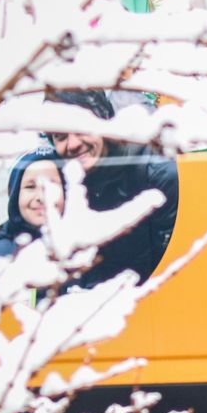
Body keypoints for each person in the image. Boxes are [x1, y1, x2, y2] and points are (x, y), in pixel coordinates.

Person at [45, 88, 181, 287]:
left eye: (81, 128)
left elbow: (172, 266)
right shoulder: (62, 181)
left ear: (105, 121)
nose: (72, 144)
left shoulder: (157, 175)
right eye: (60, 136)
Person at [0, 148, 64, 262]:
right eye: (30, 187)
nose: (41, 197)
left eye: (51, 185)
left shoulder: (87, 248)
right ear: (15, 195)